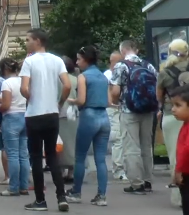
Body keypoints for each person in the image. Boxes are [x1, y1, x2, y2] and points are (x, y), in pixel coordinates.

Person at [20, 28, 71, 212]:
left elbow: (24, 88)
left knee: (36, 158)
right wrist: (59, 102)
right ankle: (61, 197)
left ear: (37, 41)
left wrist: (30, 96)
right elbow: (67, 85)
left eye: (28, 40)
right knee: (52, 157)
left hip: (34, 115)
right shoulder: (57, 61)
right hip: (52, 114)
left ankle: (40, 200)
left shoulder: (29, 61)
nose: (26, 43)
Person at [110, 39, 159, 195]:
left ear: (123, 51)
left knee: (131, 147)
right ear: (136, 50)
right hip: (148, 110)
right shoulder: (148, 66)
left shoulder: (121, 66)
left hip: (128, 110)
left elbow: (116, 91)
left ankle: (136, 183)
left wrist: (114, 101)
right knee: (146, 146)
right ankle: (148, 181)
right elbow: (158, 87)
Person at [65, 46, 111, 206]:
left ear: (86, 60)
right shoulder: (103, 76)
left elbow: (82, 100)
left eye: (78, 59)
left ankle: (76, 192)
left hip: (89, 116)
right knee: (100, 159)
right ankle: (102, 196)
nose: (77, 62)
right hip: (104, 117)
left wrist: (72, 101)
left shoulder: (83, 77)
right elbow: (109, 101)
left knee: (80, 157)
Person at [0, 58, 29, 196]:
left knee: (12, 155)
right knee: (23, 155)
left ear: (5, 70)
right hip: (24, 117)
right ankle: (24, 186)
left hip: (11, 119)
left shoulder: (7, 83)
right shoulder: (23, 82)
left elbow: (6, 105)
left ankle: (13, 187)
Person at [158, 38, 189, 206]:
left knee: (175, 155)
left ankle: (178, 198)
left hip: (172, 115)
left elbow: (159, 96)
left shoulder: (165, 71)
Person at [169, 84, 189, 215]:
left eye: (178, 105)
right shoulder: (185, 125)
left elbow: (186, 151)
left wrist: (178, 171)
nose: (173, 109)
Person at [104, 51, 126, 181]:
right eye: (117, 61)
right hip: (113, 109)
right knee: (117, 139)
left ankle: (121, 167)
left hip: (121, 109)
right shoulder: (107, 75)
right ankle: (118, 169)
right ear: (111, 62)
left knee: (121, 139)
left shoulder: (121, 73)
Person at [58, 56, 79, 183]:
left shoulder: (58, 79)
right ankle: (72, 171)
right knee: (73, 143)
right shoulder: (76, 79)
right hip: (74, 114)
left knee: (60, 144)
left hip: (60, 113)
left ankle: (60, 170)